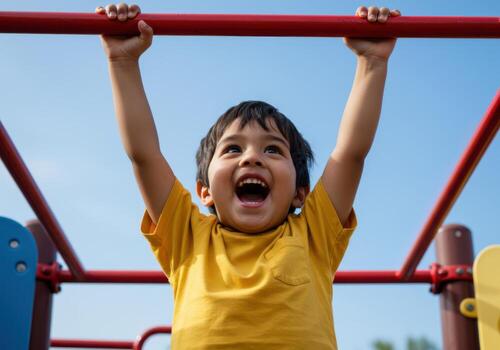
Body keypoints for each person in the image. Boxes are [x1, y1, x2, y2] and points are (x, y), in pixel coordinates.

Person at [96, 4, 400, 349]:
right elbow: (144, 155)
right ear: (205, 191)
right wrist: (121, 62)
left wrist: (372, 64)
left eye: (272, 150)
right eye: (232, 150)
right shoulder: (187, 236)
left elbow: (350, 153)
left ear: (301, 193)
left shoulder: (314, 233)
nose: (252, 157)